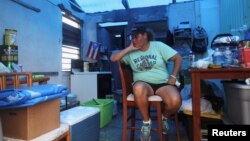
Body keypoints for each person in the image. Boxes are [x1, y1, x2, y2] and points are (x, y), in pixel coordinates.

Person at [110, 26, 182, 140]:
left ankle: (164, 118)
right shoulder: (131, 52)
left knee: (175, 101)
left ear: (145, 35)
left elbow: (178, 58)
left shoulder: (158, 46)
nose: (134, 40)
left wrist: (173, 76)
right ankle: (146, 123)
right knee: (138, 88)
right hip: (143, 84)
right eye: (131, 37)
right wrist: (129, 49)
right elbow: (113, 58)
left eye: (136, 36)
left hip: (162, 83)